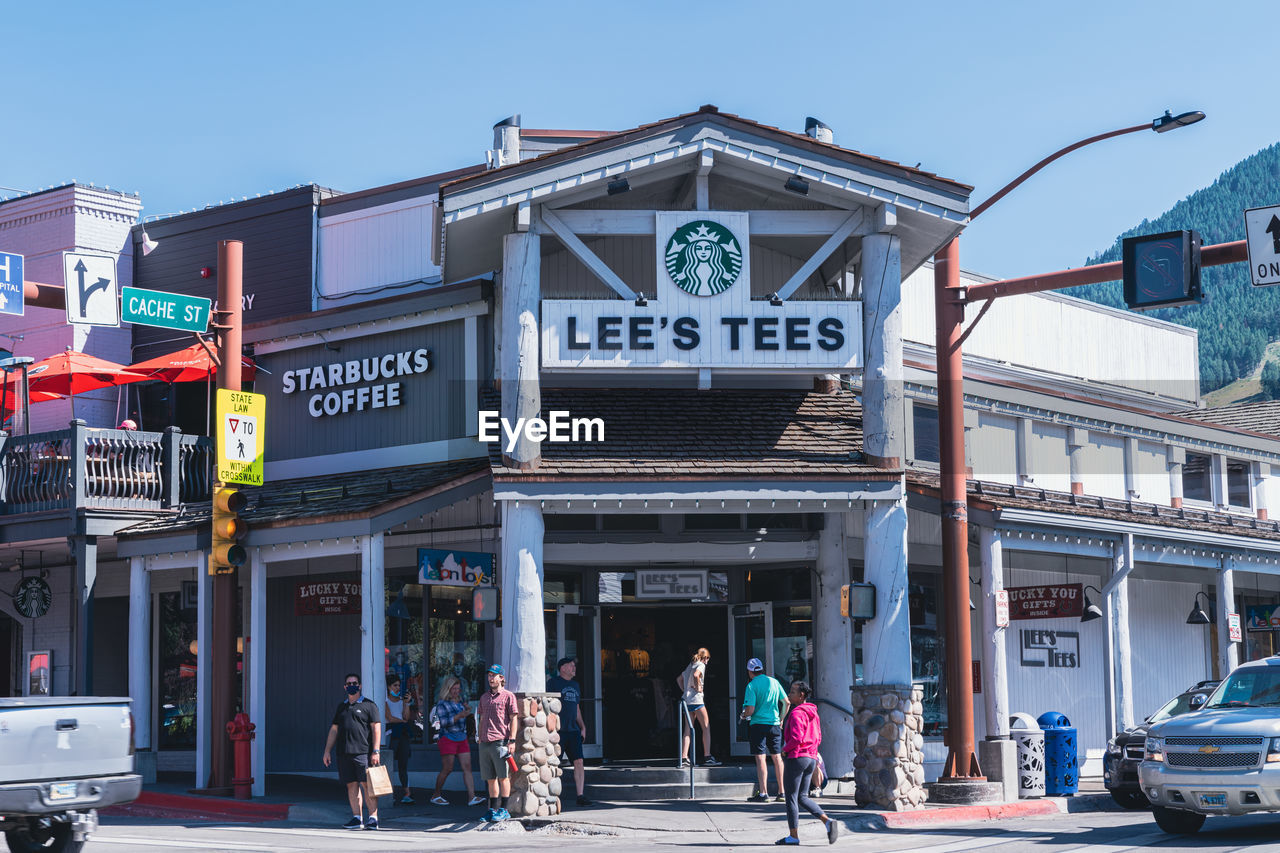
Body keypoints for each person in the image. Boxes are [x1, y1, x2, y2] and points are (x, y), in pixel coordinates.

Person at [774, 680, 838, 846]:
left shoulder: (796, 713)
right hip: (810, 758)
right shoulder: (813, 713)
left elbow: (796, 738)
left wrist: (784, 750)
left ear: (801, 695)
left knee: (791, 798)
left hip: (797, 757)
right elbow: (818, 737)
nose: (789, 695)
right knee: (802, 797)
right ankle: (828, 822)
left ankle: (793, 836)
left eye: (792, 692)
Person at [322, 672, 383, 831]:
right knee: (351, 786)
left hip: (363, 753)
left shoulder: (369, 705)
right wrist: (327, 751)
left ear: (360, 685)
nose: (351, 686)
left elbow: (376, 728)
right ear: (344, 687)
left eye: (354, 683)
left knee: (366, 785)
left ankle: (373, 818)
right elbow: (334, 730)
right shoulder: (341, 707)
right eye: (348, 684)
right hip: (343, 753)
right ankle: (357, 818)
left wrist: (376, 750)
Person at [429, 676, 485, 807]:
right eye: (454, 688)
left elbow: (465, 716)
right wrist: (460, 715)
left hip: (461, 737)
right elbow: (443, 723)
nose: (456, 691)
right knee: (448, 768)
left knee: (467, 767)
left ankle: (472, 797)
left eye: (458, 688)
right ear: (447, 689)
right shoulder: (442, 704)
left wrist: (467, 711)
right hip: (448, 737)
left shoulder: (460, 701)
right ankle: (436, 794)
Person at [739, 657, 788, 803]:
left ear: (749, 671)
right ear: (761, 669)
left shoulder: (751, 685)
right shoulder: (774, 682)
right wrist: (781, 719)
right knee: (777, 757)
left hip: (758, 725)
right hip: (774, 724)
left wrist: (743, 714)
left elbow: (750, 710)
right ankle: (782, 792)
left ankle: (763, 793)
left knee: (761, 758)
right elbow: (786, 702)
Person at [547, 656, 593, 807]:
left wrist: (583, 727)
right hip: (559, 730)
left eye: (574, 665)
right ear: (563, 668)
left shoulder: (575, 685)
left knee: (579, 761)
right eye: (571, 665)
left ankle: (580, 795)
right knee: (554, 763)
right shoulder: (553, 683)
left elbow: (577, 708)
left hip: (573, 730)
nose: (574, 668)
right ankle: (551, 795)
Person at [476, 663, 519, 822]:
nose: (491, 678)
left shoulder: (508, 696)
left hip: (500, 741)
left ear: (501, 678)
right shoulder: (484, 697)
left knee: (503, 777)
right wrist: (479, 737)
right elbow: (481, 718)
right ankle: (492, 810)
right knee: (490, 778)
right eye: (489, 675)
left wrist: (512, 740)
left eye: (494, 675)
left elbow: (514, 718)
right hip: (485, 742)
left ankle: (504, 809)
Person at [677, 648, 720, 767]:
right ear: (704, 657)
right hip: (697, 700)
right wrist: (698, 688)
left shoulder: (690, 665)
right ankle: (707, 756)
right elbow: (696, 675)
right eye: (708, 658)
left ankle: (684, 758)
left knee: (687, 730)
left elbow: (679, 679)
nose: (708, 661)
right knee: (706, 727)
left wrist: (686, 691)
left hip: (687, 701)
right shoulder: (701, 665)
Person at [384, 675, 414, 805]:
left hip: (403, 733)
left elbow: (406, 717)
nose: (397, 688)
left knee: (403, 764)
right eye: (394, 685)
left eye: (398, 686)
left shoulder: (402, 701)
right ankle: (387, 793)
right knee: (388, 764)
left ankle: (407, 793)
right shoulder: (384, 700)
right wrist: (402, 721)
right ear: (389, 687)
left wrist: (407, 704)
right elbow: (390, 718)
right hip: (391, 733)